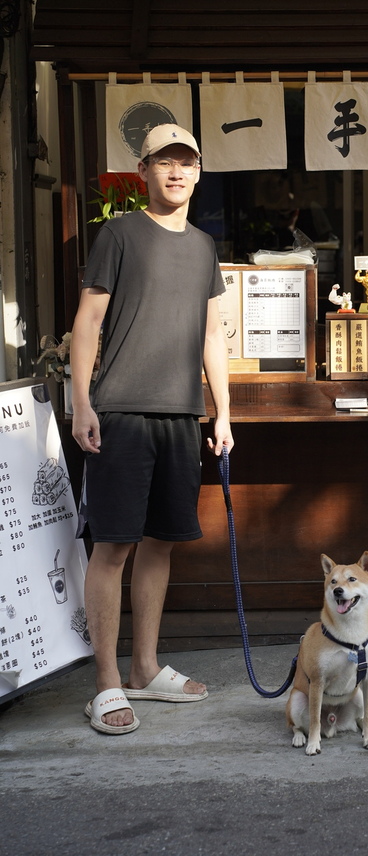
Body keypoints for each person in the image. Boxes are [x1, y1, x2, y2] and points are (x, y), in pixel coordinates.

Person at [70, 124, 233, 735]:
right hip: (121, 412)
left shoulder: (203, 246)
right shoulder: (119, 233)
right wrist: (83, 403)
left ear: (198, 173)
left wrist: (224, 411)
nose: (175, 173)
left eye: (185, 163)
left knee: (161, 542)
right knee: (113, 544)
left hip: (181, 414)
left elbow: (213, 333)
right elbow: (88, 321)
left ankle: (144, 667)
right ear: (142, 172)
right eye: (163, 163)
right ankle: (106, 682)